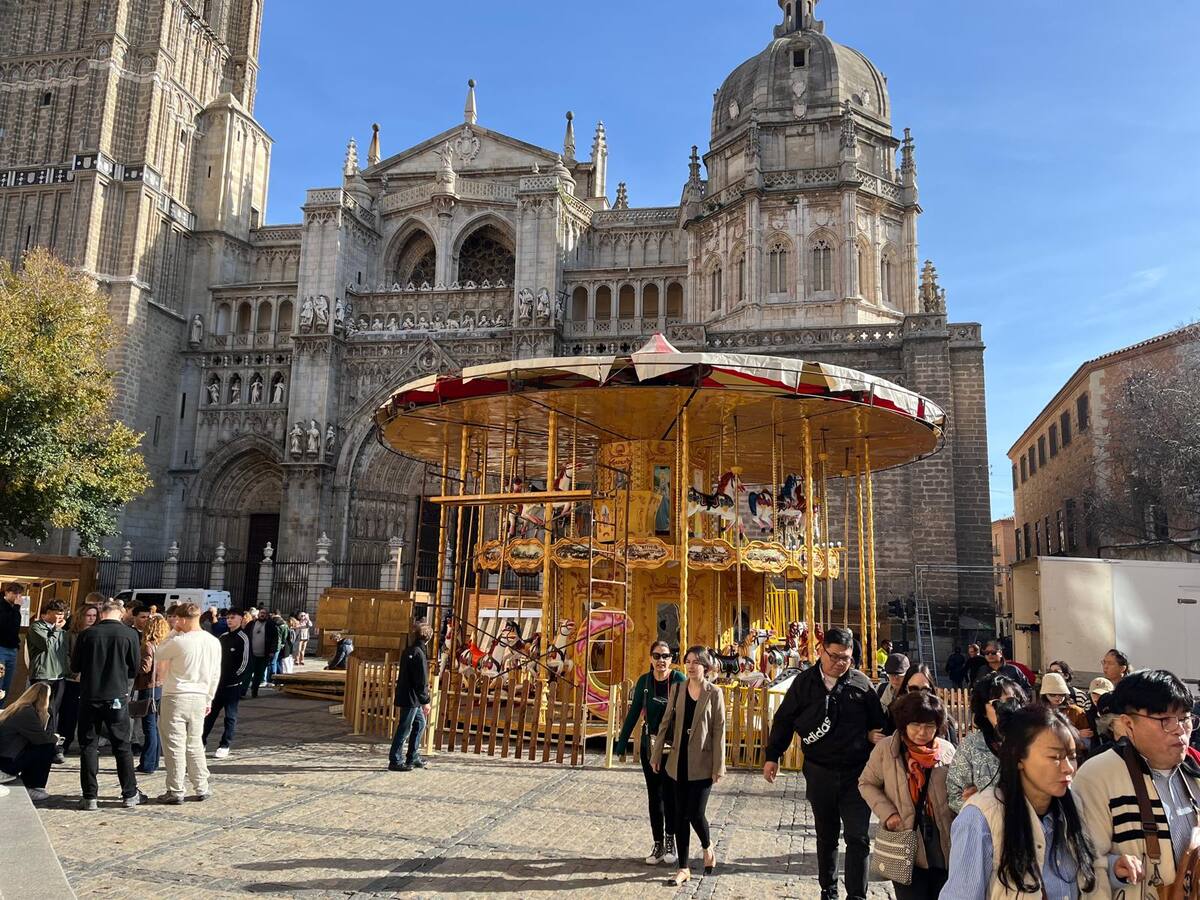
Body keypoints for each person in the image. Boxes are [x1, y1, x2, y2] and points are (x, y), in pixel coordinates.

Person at [942, 704, 1131, 898]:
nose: (1068, 768)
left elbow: (1077, 873)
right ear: (1018, 758)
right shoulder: (981, 817)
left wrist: (1113, 868)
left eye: (1072, 757)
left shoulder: (1072, 805)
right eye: (1055, 757)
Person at [763, 627, 886, 900]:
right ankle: (828, 890)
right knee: (826, 836)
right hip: (820, 772)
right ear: (821, 651)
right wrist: (773, 756)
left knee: (858, 837)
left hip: (857, 775)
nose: (840, 662)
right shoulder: (804, 684)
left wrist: (871, 735)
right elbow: (784, 721)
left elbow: (879, 723)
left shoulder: (861, 685)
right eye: (835, 656)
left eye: (847, 658)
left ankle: (856, 895)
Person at [1074, 669, 1200, 898]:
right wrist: (1115, 867)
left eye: (1185, 718)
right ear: (1128, 724)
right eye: (1165, 720)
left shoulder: (1195, 773)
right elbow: (1084, 863)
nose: (1180, 730)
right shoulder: (1097, 775)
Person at [858, 691, 956, 899]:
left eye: (929, 726)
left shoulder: (947, 751)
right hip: (905, 838)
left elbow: (958, 789)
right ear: (904, 724)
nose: (922, 732)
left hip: (943, 840)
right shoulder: (887, 749)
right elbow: (866, 783)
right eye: (916, 725)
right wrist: (888, 813)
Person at [652, 646, 725, 888]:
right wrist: (656, 753)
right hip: (677, 760)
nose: (691, 666)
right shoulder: (678, 688)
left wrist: (719, 765)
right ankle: (683, 867)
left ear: (706, 666)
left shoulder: (714, 693)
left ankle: (707, 846)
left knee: (695, 812)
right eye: (688, 661)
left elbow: (718, 730)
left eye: (696, 662)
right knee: (680, 814)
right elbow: (666, 721)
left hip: (703, 762)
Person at [616, 640, 686, 866]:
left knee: (671, 794)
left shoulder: (678, 680)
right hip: (651, 745)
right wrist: (621, 741)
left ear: (672, 660)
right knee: (654, 796)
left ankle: (670, 839)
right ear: (650, 659)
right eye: (656, 656)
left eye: (665, 656)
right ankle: (657, 843)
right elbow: (634, 712)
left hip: (673, 747)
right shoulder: (644, 682)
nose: (661, 661)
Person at [72, 597, 144, 810]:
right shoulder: (130, 634)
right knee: (122, 746)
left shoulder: (87, 634)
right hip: (116, 695)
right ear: (120, 614)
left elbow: (75, 664)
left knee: (88, 745)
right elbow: (135, 666)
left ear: (102, 614)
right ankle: (129, 793)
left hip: (90, 695)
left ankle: (90, 795)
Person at [153, 603, 220, 804]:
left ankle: (176, 789)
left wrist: (173, 631)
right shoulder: (213, 641)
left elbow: (159, 653)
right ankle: (201, 785)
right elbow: (216, 674)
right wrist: (209, 698)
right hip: (200, 696)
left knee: (174, 744)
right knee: (194, 743)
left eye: (176, 620)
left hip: (176, 695)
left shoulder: (180, 641)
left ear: (182, 620)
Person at [947, 672, 1028, 814]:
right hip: (987, 828)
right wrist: (976, 804)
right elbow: (955, 796)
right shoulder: (971, 745)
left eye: (1011, 701)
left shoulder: (1033, 740)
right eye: (996, 703)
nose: (1005, 709)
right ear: (983, 711)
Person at [204, 608, 249, 760]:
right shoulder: (223, 637)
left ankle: (225, 745)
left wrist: (236, 679)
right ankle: (201, 742)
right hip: (217, 684)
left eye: (233, 617)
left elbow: (245, 662)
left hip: (232, 686)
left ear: (241, 619)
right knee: (209, 715)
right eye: (228, 618)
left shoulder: (243, 638)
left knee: (230, 717)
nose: (229, 620)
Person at [0, 682, 58, 802]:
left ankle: (34, 785)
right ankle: (34, 786)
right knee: (47, 747)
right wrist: (56, 738)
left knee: (43, 746)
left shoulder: (18, 707)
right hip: (6, 761)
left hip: (6, 756)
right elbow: (42, 739)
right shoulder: (26, 712)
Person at [388, 621, 434, 773]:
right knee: (404, 728)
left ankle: (413, 756)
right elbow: (421, 681)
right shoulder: (419, 654)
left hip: (407, 695)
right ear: (428, 637)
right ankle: (395, 759)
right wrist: (425, 701)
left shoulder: (409, 650)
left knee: (420, 723)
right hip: (412, 698)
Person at [26, 599, 69, 758]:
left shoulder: (62, 631)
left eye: (62, 614)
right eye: (57, 613)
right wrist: (57, 630)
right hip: (42, 675)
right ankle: (38, 744)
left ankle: (51, 745)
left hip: (59, 676)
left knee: (53, 711)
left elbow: (64, 653)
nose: (60, 617)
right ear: (47, 613)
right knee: (42, 710)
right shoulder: (37, 627)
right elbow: (48, 646)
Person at [59, 598, 101, 756]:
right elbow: (66, 656)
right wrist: (74, 673)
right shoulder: (71, 634)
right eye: (88, 615)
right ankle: (64, 743)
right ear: (81, 616)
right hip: (73, 680)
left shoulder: (97, 634)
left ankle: (88, 745)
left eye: (94, 615)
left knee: (89, 716)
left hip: (90, 681)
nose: (91, 618)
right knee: (68, 715)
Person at [888, 663, 959, 746]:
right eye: (913, 689)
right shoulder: (893, 714)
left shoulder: (943, 718)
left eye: (925, 689)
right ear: (905, 689)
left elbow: (952, 751)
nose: (920, 694)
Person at [134, 614, 170, 775]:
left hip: (149, 686)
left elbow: (145, 668)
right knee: (155, 725)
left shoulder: (148, 645)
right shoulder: (167, 644)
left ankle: (148, 763)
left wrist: (134, 664)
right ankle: (153, 761)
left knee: (149, 727)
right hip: (162, 686)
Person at [1039, 672, 1092, 746]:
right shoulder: (1037, 712)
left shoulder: (1076, 711)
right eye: (1052, 694)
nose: (1058, 698)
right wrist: (1075, 733)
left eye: (1061, 694)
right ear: (1045, 695)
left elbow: (1087, 736)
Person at [242, 608, 279, 697]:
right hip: (251, 654)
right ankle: (242, 692)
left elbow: (275, 639)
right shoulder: (251, 624)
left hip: (264, 654)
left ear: (267, 615)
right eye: (261, 613)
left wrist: (272, 651)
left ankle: (255, 691)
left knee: (259, 674)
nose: (262, 615)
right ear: (258, 614)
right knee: (248, 673)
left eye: (264, 613)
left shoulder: (271, 625)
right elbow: (244, 636)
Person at [0, 582, 23, 706]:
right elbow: (6, 625)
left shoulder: (14, 608)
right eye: (15, 593)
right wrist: (17, 608)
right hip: (1, 648)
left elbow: (15, 628)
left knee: (7, 685)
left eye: (20, 594)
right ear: (7, 592)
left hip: (12, 649)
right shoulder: (2, 605)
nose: (17, 597)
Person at [1086, 677, 1118, 753]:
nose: (1096, 697)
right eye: (1093, 693)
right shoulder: (1088, 713)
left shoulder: (1118, 713)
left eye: (1101, 694)